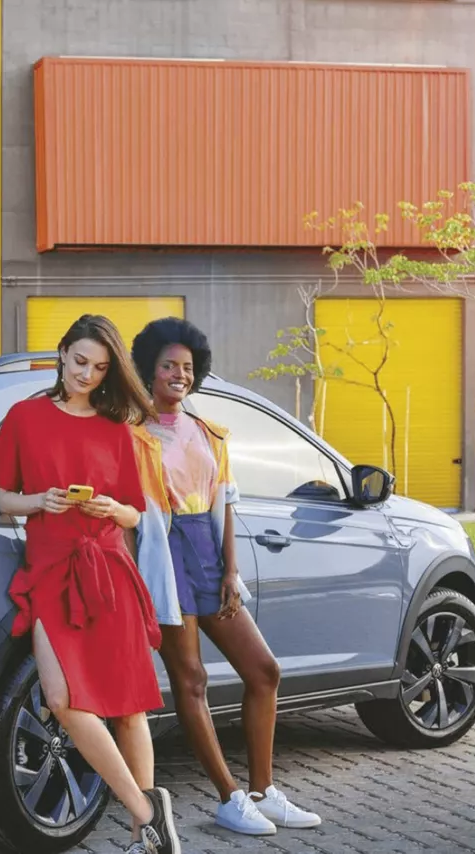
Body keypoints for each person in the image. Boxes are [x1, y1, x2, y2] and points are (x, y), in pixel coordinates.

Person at [0, 314, 179, 854]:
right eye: (79, 362)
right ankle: (147, 809)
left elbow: (137, 515)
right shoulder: (24, 416)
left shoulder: (116, 428)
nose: (87, 375)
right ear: (62, 353)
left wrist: (112, 506)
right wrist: (38, 501)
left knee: (129, 705)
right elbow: (1, 497)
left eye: (98, 368)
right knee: (63, 698)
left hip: (108, 570)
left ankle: (147, 839)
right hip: (51, 572)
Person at [129, 317, 322, 836]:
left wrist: (231, 571)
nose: (179, 374)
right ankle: (229, 797)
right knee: (190, 681)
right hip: (165, 561)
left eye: (187, 367)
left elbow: (226, 504)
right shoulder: (133, 437)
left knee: (264, 671)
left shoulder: (210, 434)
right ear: (149, 370)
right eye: (169, 365)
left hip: (208, 556)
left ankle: (263, 790)